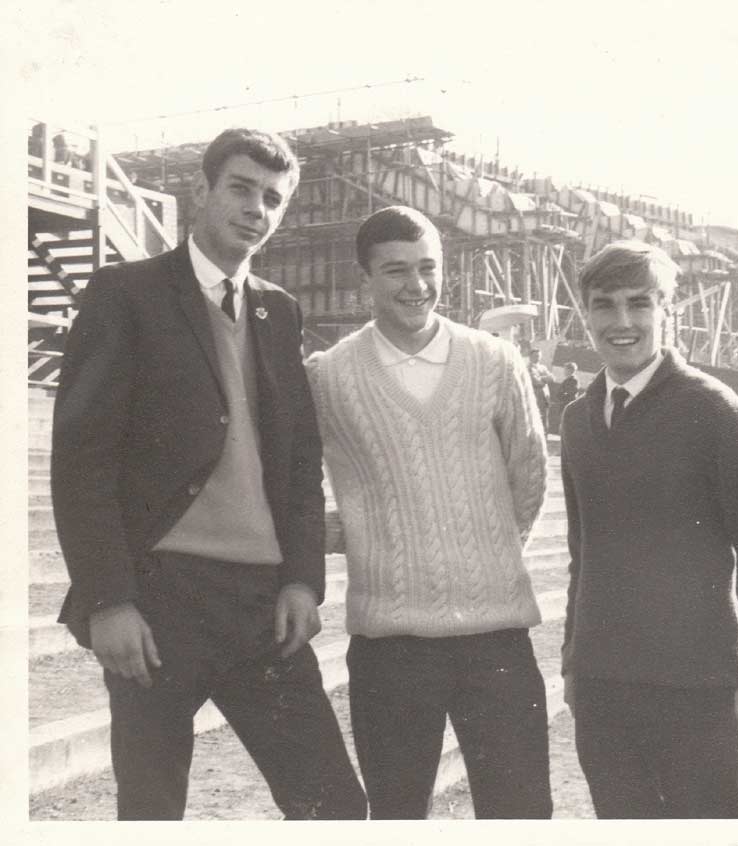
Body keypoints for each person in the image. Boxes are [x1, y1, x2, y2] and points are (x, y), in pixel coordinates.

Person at [51, 128, 366, 821]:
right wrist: (109, 599)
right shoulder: (125, 293)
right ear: (203, 189)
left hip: (260, 606)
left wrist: (301, 579)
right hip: (160, 598)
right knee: (153, 810)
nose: (258, 208)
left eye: (274, 198)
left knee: (334, 806)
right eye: (242, 188)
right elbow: (82, 461)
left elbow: (297, 461)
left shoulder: (279, 311)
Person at [307, 206, 553, 819]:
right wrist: (351, 533)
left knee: (521, 813)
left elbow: (529, 474)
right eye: (395, 270)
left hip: (496, 636)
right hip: (391, 645)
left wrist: (483, 552)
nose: (416, 285)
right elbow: (290, 484)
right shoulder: (328, 375)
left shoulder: (495, 361)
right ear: (364, 277)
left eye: (427, 267)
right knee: (397, 814)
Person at [560, 240, 738, 818]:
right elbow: (581, 555)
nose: (622, 322)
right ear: (585, 314)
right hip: (603, 691)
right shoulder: (578, 419)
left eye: (639, 304)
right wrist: (574, 661)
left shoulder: (712, 410)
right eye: (604, 305)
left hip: (695, 693)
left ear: (667, 311)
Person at [528, 347, 555, 430]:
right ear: (530, 357)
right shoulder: (528, 368)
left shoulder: (543, 367)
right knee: (535, 417)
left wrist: (542, 378)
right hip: (535, 395)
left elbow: (553, 378)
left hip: (545, 396)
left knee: (544, 417)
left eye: (539, 356)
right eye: (535, 356)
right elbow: (536, 382)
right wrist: (545, 378)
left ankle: (545, 437)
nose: (537, 358)